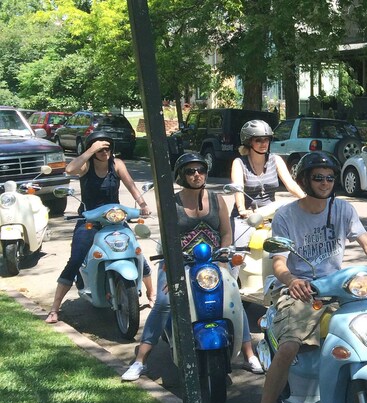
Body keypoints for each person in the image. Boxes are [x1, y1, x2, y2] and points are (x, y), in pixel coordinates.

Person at [239, 151, 367, 403]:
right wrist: (292, 280)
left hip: (340, 288)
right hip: (302, 290)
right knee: (290, 347)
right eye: (319, 177)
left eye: (330, 177)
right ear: (305, 180)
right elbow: (278, 261)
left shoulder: (343, 209)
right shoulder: (287, 215)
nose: (326, 182)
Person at [120, 153, 263, 381]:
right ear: (181, 176)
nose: (197, 175)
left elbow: (226, 233)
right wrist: (173, 264)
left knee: (234, 299)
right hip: (180, 263)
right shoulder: (171, 203)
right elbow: (168, 239)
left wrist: (223, 259)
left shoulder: (217, 200)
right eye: (190, 171)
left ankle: (247, 353)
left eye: (201, 170)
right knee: (164, 302)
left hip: (213, 263)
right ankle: (141, 359)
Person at [46, 130, 154, 324]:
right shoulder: (86, 165)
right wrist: (89, 151)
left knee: (136, 252)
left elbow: (131, 185)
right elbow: (70, 170)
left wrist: (143, 204)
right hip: (90, 219)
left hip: (115, 219)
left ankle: (151, 294)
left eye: (107, 147)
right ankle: (54, 308)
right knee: (76, 258)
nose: (105, 151)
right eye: (100, 148)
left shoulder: (117, 164)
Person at [229, 119, 305, 247]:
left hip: (270, 216)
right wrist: (242, 209)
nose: (264, 143)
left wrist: (306, 199)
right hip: (246, 218)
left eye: (266, 139)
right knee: (239, 255)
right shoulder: (239, 163)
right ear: (249, 142)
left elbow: (290, 184)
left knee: (288, 248)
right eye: (258, 140)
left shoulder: (275, 160)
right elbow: (238, 189)